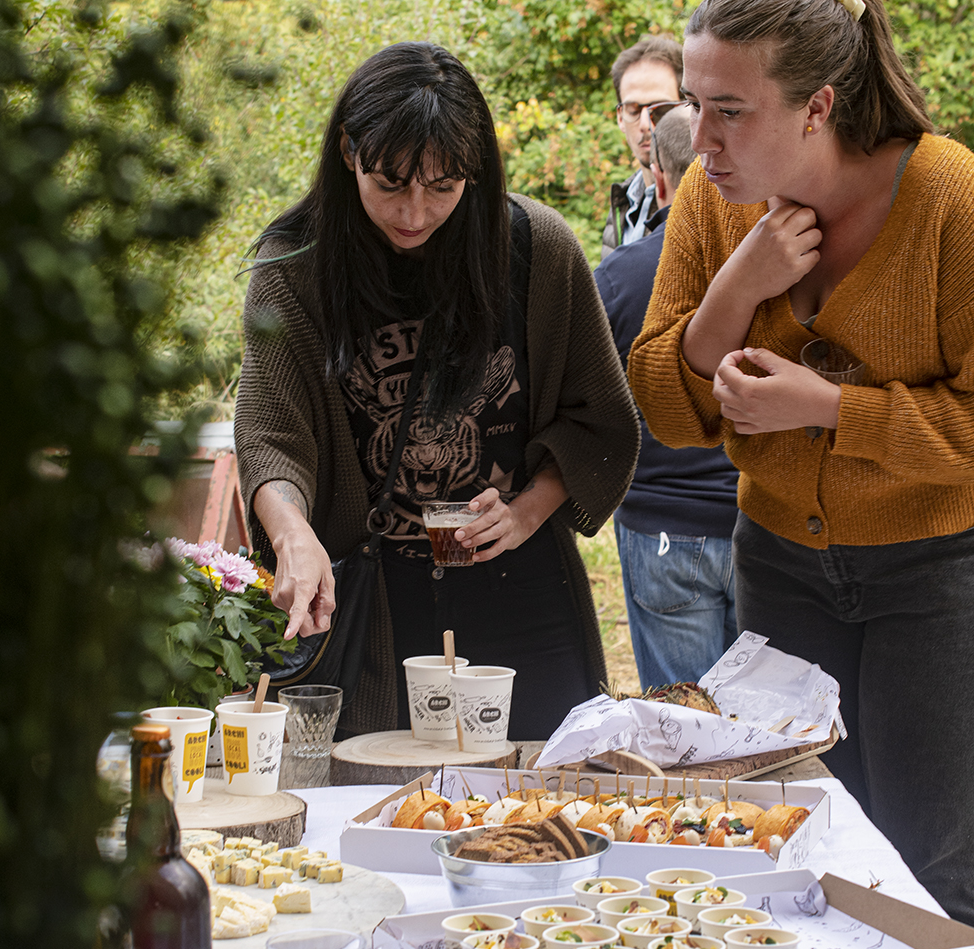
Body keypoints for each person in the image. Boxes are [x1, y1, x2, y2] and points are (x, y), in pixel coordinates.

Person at [629, 0, 974, 923]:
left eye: (730, 111)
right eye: (695, 104)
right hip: (775, 563)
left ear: (818, 106)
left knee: (929, 865)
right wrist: (737, 287)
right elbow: (665, 408)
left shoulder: (951, 201)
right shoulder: (711, 199)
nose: (699, 139)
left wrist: (827, 408)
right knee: (797, 842)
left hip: (936, 576)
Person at [234, 42, 639, 743]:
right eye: (390, 183)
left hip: (521, 596)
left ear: (475, 171)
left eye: (443, 186)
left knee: (541, 800)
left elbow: (601, 419)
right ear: (347, 152)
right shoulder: (294, 269)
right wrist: (293, 536)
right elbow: (272, 436)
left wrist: (525, 510)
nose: (415, 213)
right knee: (376, 810)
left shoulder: (537, 249)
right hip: (370, 603)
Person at [595, 106, 738, 691]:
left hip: (659, 524)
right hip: (758, 520)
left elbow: (594, 403)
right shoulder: (787, 260)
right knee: (769, 724)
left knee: (683, 730)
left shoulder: (619, 275)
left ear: (659, 180)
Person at [601, 35, 684, 259]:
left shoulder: (706, 202)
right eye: (634, 110)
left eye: (660, 109)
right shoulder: (623, 199)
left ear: (687, 108)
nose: (646, 125)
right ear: (620, 117)